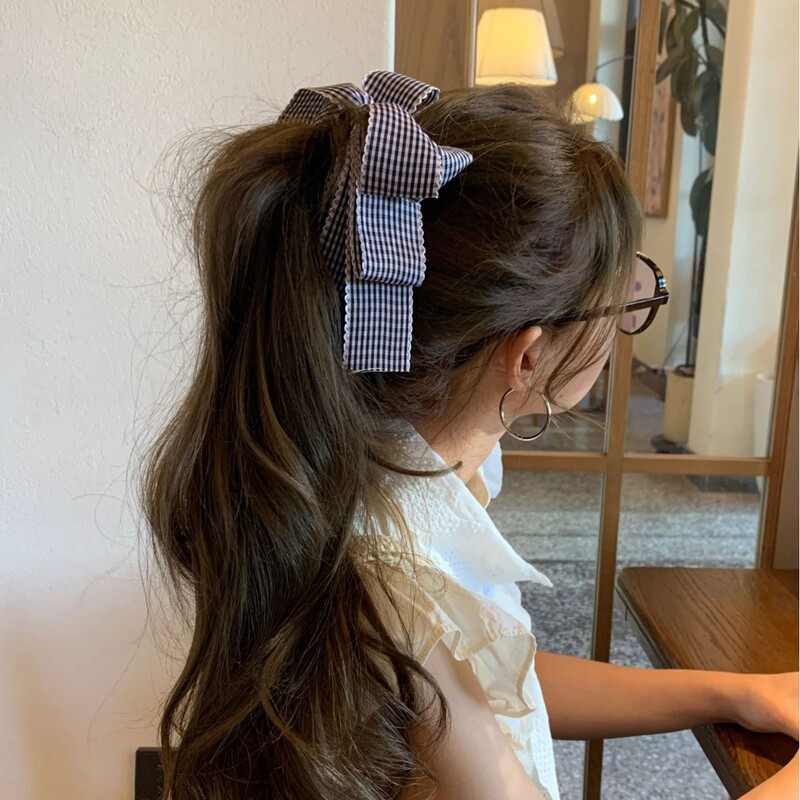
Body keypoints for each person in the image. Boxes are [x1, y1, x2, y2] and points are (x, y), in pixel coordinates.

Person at [139, 70, 798, 800]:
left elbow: (497, 685)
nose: (625, 321)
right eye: (618, 302)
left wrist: (733, 693)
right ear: (527, 358)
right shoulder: (403, 588)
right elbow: (454, 690)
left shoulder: (397, 470)